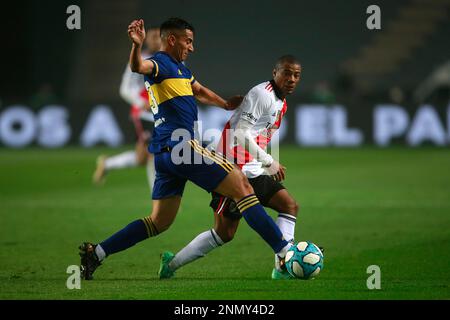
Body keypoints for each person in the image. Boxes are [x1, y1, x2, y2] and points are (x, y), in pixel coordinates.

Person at [79, 17, 293, 280]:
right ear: (172, 39)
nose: (192, 47)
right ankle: (285, 252)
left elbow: (199, 90)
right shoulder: (160, 63)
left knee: (159, 222)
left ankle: (97, 253)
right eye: (188, 41)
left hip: (165, 154)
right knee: (243, 187)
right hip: (183, 146)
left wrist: (225, 104)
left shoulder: (181, 70)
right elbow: (138, 66)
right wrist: (135, 46)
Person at [158, 55, 303, 280]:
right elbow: (241, 133)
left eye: (296, 75)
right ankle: (172, 263)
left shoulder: (281, 102)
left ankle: (283, 266)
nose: (291, 79)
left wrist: (262, 165)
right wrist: (269, 161)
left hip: (253, 169)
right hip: (230, 169)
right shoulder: (262, 94)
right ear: (275, 73)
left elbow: (258, 136)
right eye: (287, 73)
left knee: (289, 206)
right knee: (224, 233)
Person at [92, 27, 162, 192]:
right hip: (144, 114)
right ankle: (159, 197)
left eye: (159, 37)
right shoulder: (138, 59)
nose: (155, 40)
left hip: (161, 112)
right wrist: (140, 102)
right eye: (152, 37)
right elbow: (124, 88)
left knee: (142, 158)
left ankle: (107, 164)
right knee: (153, 154)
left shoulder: (173, 60)